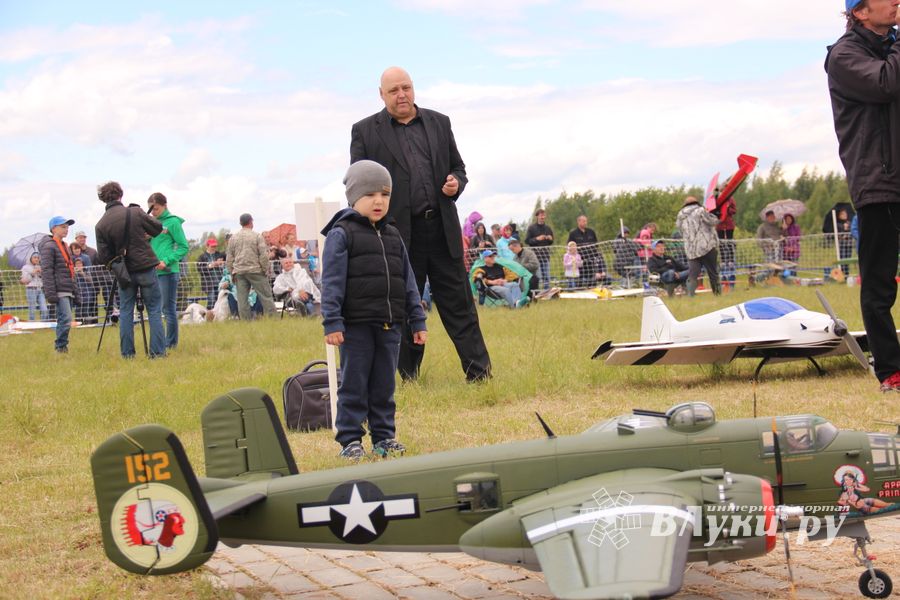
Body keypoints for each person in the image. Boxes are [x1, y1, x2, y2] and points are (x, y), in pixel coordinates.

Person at [350, 66, 490, 382]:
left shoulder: (440, 122)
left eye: (407, 88)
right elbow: (357, 183)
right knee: (403, 311)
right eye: (394, 90)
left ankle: (479, 374)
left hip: (441, 230)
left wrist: (457, 182)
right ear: (381, 94)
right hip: (397, 236)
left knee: (461, 307)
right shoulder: (365, 131)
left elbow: (459, 167)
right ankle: (408, 377)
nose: (402, 95)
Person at [321, 160, 427, 459]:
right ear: (354, 198)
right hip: (355, 326)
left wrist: (417, 320)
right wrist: (332, 322)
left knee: (384, 385)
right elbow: (331, 282)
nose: (378, 201)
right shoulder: (342, 234)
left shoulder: (393, 235)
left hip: (389, 324)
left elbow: (408, 281)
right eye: (370, 195)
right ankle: (350, 439)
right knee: (354, 383)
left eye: (384, 195)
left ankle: (384, 437)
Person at [826, 0, 900, 391]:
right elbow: (887, 83)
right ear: (860, 12)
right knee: (879, 281)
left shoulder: (894, 46)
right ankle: (890, 368)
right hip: (879, 181)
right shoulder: (844, 56)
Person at [94, 181, 166, 358]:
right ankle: (157, 353)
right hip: (145, 266)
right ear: (120, 195)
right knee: (154, 310)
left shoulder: (101, 225)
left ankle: (127, 354)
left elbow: (104, 256)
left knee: (126, 312)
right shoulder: (134, 211)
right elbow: (156, 228)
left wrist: (117, 267)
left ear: (103, 199)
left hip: (124, 273)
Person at [147, 193, 189, 350]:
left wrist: (167, 260)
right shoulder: (151, 223)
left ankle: (170, 343)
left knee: (168, 308)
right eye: (151, 209)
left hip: (168, 272)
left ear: (164, 205)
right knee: (156, 308)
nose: (153, 212)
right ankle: (160, 341)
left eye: (156, 209)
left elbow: (183, 246)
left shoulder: (173, 223)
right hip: (152, 271)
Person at [40, 216, 79, 353]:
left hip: (67, 287)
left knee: (65, 318)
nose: (66, 230)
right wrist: (50, 292)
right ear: (53, 229)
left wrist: (75, 289)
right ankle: (60, 346)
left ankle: (62, 346)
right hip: (59, 288)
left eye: (67, 227)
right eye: (63, 227)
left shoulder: (64, 246)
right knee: (66, 318)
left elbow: (70, 269)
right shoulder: (49, 246)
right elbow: (47, 270)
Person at [225, 213, 276, 320]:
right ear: (251, 221)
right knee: (266, 297)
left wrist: (231, 272)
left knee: (242, 300)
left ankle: (245, 322)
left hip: (239, 272)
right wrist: (264, 269)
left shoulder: (233, 238)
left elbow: (229, 258)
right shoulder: (257, 236)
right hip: (256, 270)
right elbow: (263, 255)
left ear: (240, 223)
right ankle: (273, 319)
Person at [676, 196, 721, 295]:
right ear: (696, 203)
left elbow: (680, 231)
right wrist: (716, 214)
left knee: (693, 274)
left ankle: (690, 294)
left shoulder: (680, 215)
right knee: (713, 272)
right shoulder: (700, 210)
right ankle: (717, 294)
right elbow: (712, 221)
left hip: (691, 250)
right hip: (706, 247)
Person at [525, 209, 554, 290]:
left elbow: (551, 242)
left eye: (544, 215)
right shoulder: (531, 228)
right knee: (538, 277)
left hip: (546, 256)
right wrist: (537, 239)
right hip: (535, 257)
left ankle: (547, 292)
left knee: (547, 277)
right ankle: (537, 292)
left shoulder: (548, 228)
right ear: (537, 216)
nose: (542, 217)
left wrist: (550, 239)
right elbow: (527, 241)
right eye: (541, 215)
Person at [568, 215, 599, 288]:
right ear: (578, 222)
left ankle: (592, 289)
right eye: (583, 221)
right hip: (579, 260)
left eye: (586, 221)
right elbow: (570, 245)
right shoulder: (573, 233)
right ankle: (579, 290)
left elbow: (596, 244)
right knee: (580, 279)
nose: (585, 223)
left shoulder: (591, 232)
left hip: (591, 259)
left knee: (591, 277)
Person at [198, 238, 226, 308]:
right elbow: (200, 269)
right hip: (209, 283)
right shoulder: (202, 257)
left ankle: (218, 316)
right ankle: (210, 316)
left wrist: (222, 263)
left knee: (220, 300)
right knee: (211, 299)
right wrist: (211, 265)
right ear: (207, 246)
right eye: (212, 246)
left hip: (220, 281)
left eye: (215, 246)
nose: (214, 248)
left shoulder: (220, 255)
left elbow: (226, 264)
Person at [20, 252, 49, 321]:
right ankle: (31, 323)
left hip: (40, 289)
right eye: (35, 257)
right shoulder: (25, 267)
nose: (36, 259)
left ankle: (43, 323)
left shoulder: (40, 266)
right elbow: (25, 280)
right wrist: (33, 273)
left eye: (38, 258)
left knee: (44, 308)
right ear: (30, 258)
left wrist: (41, 274)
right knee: (32, 308)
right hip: (31, 289)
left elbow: (45, 278)